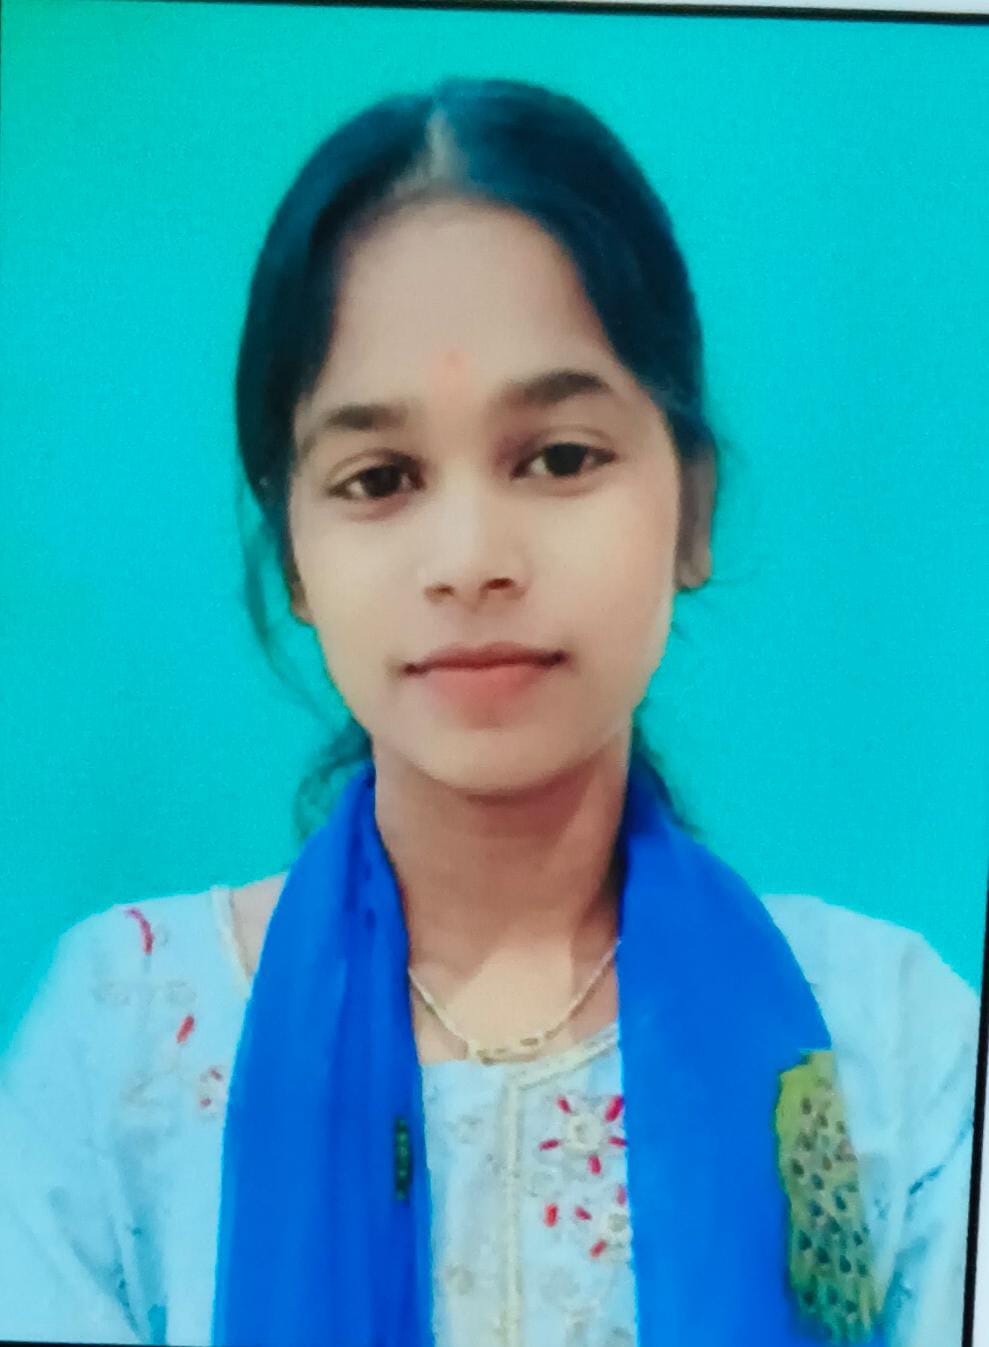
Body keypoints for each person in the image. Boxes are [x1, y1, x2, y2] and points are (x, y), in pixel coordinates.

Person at [0, 76, 977, 1347]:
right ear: (294, 556)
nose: (468, 561)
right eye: (379, 478)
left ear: (692, 509)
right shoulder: (124, 1045)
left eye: (558, 458)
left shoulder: (893, 1051)